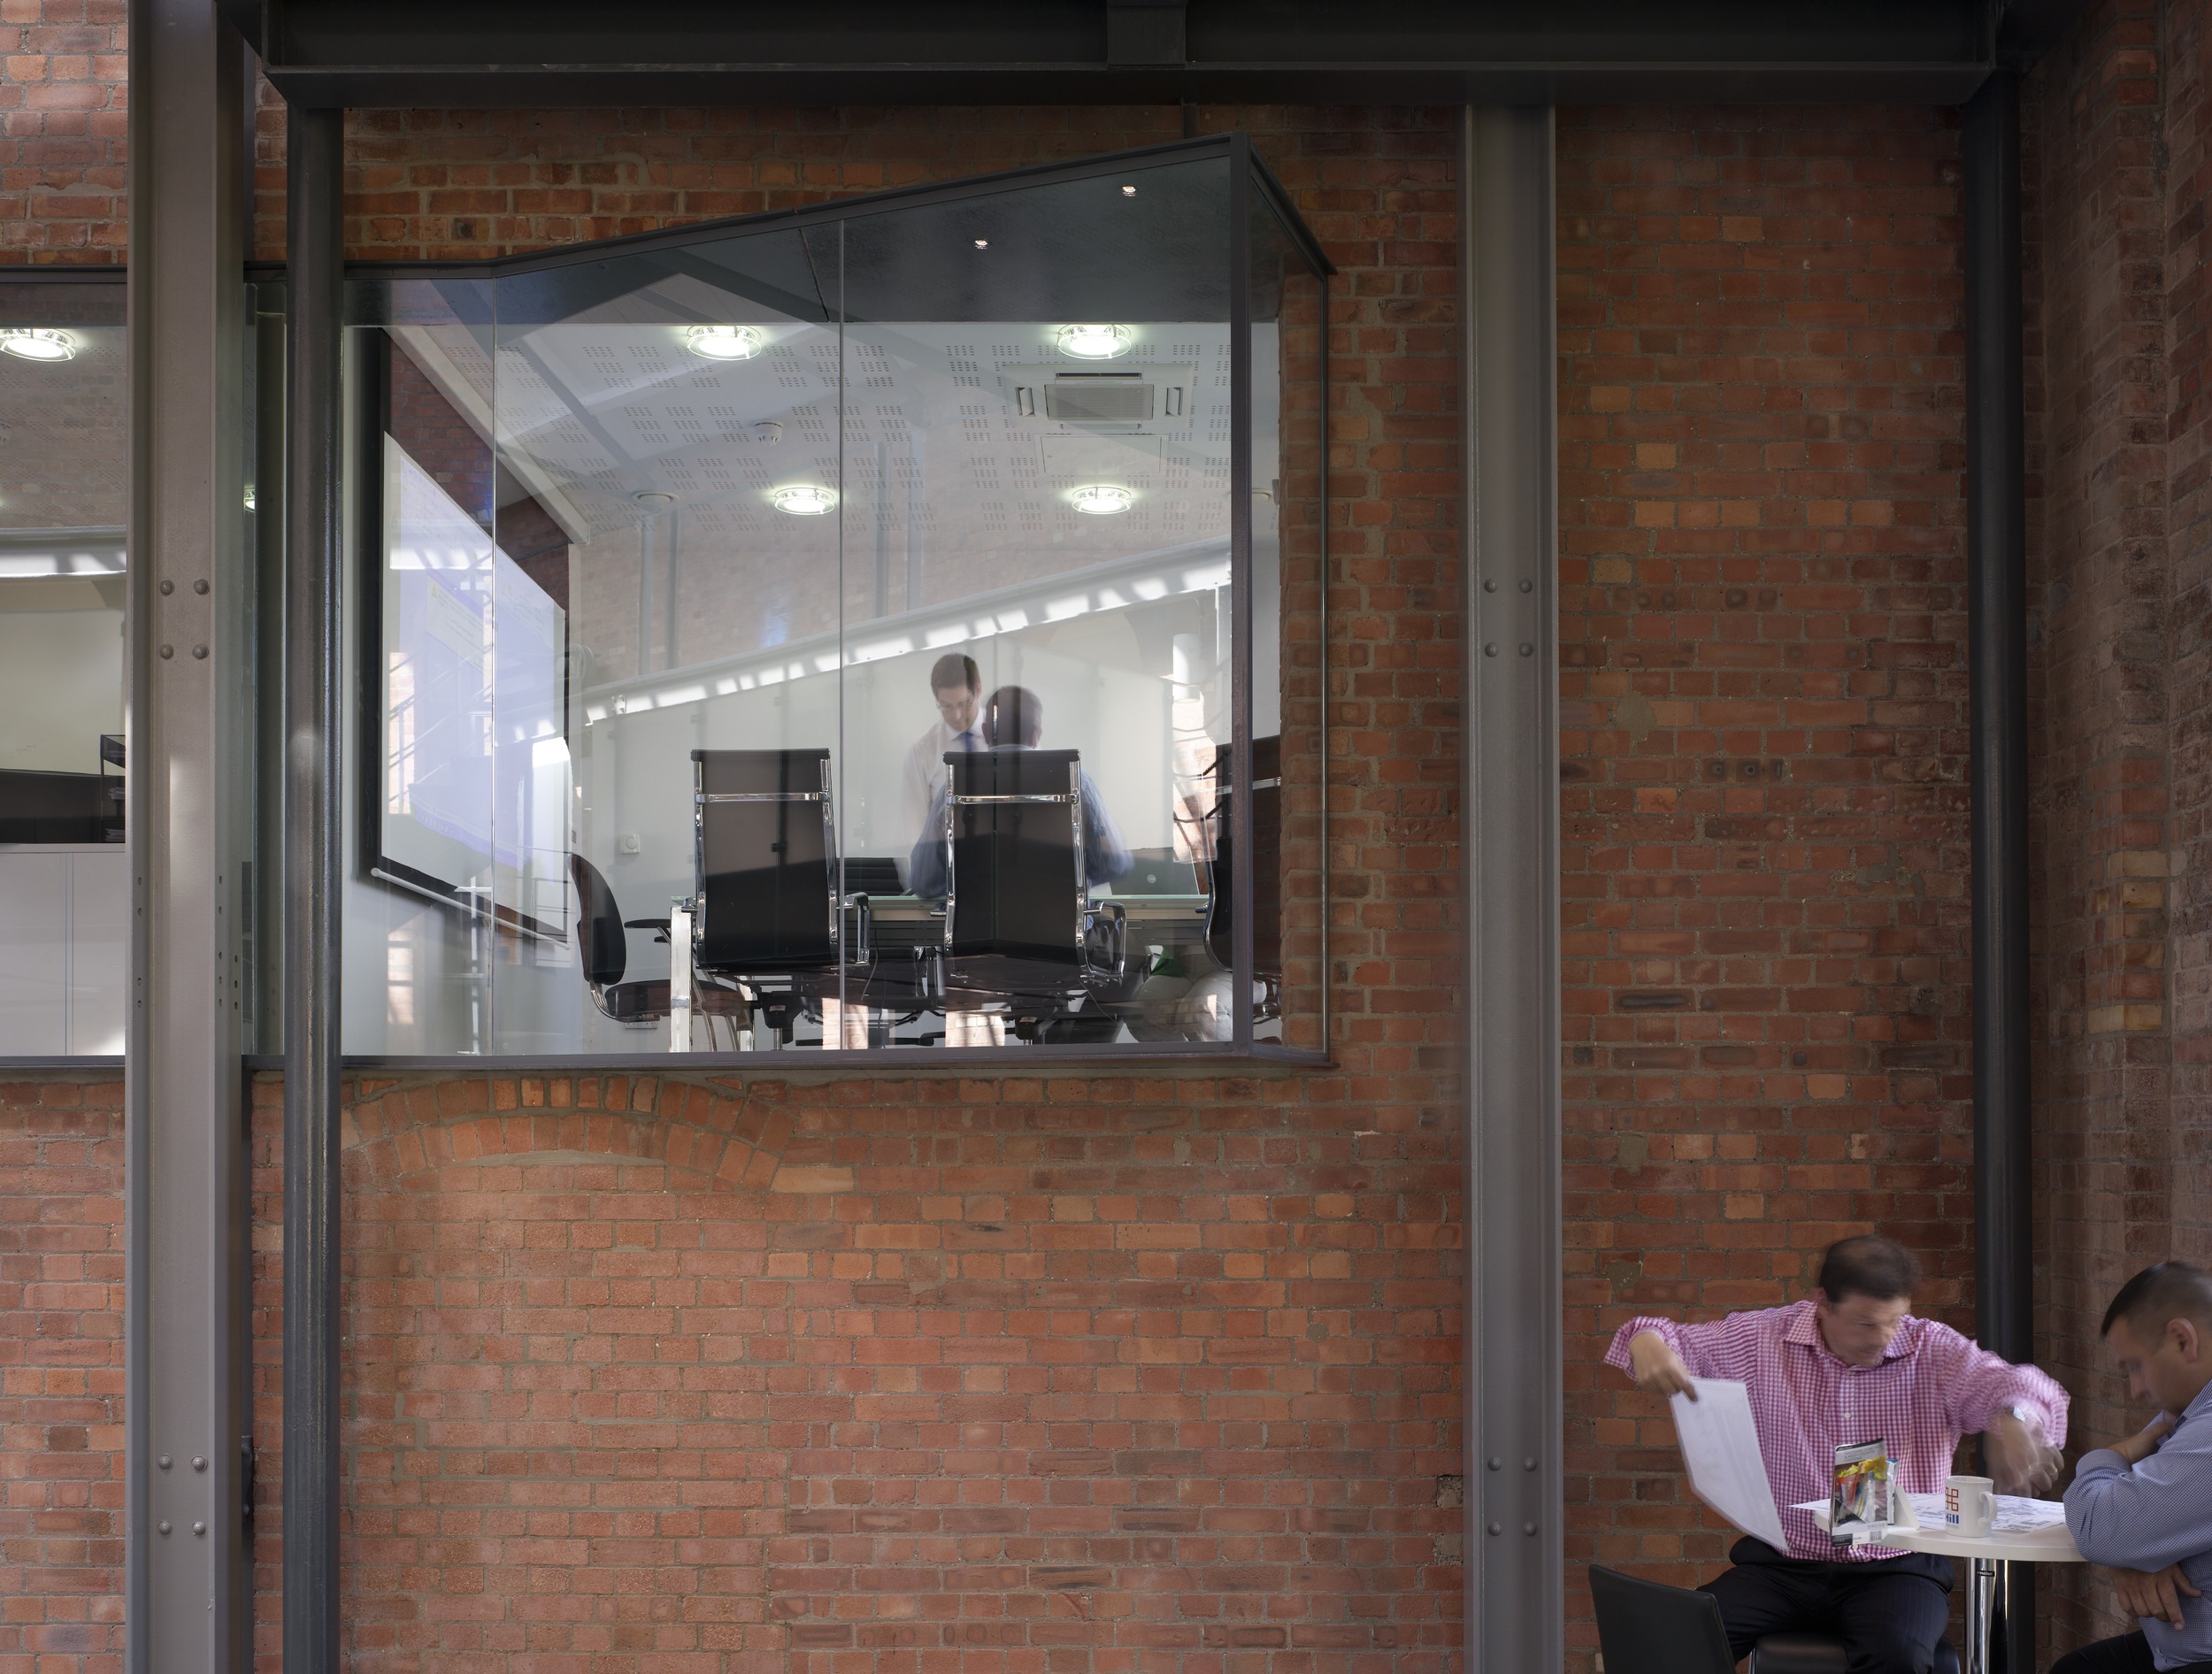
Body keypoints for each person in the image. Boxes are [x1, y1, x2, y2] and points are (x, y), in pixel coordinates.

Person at [1608, 1234, 2069, 1674]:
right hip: (1785, 1565)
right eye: (1866, 1323)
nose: (1883, 1337)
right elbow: (1664, 1337)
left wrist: (2015, 1418)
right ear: (1823, 1304)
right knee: (1676, 1641)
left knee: (1899, 1657)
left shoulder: (1931, 1349)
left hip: (1894, 1567)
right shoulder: (1764, 1339)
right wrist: (1647, 1342)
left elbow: (2015, 1385)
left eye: (1895, 1320)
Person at [2054, 1263, 2212, 1674]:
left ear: (2182, 1340)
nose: (2136, 1390)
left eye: (2136, 1366)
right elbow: (2120, 1521)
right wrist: (2136, 1553)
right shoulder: (2187, 1414)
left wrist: (2115, 1452)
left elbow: (2099, 1525)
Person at [906, 683, 1131, 899]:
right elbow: (1113, 863)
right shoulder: (1076, 782)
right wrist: (1068, 880)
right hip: (1059, 924)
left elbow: (923, 879)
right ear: (1036, 734)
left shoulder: (953, 788)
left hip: (976, 926)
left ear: (986, 732)